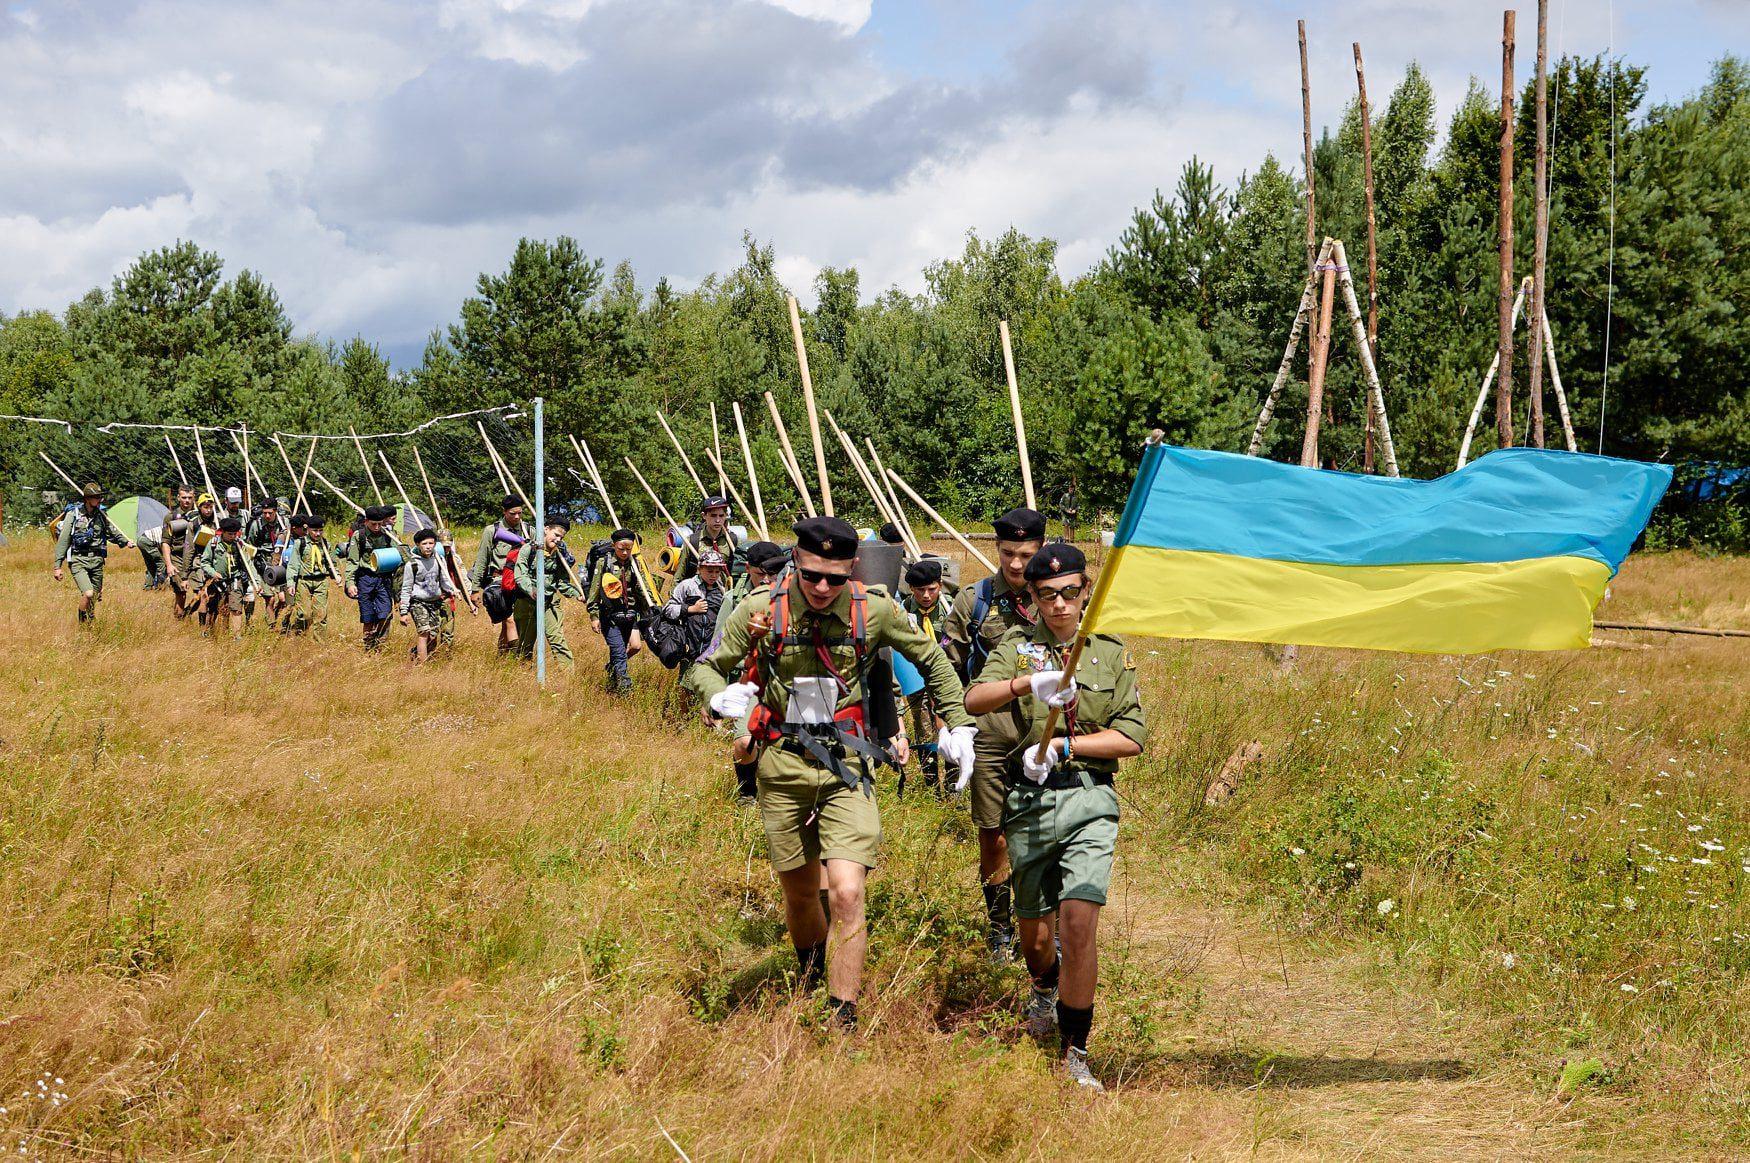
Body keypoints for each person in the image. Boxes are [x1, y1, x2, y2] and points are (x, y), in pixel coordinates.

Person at [691, 516, 979, 1031]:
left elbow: (932, 660)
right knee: (801, 892)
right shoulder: (761, 610)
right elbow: (708, 664)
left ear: (852, 568)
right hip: (781, 763)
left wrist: (956, 722)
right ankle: (808, 975)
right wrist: (716, 694)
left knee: (845, 891)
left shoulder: (877, 611)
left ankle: (841, 1012)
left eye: (835, 577)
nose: (822, 588)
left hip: (846, 764)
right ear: (797, 562)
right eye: (812, 575)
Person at [963, 543, 1147, 1092]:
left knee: (1079, 922)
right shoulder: (1018, 648)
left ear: (1086, 590)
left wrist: (1068, 745)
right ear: (1034, 599)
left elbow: (1132, 737)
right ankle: (1043, 986)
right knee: (1036, 938)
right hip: (1029, 803)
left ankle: (1075, 1049)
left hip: (1090, 797)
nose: (1061, 605)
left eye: (1070, 592)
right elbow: (974, 699)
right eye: (1048, 596)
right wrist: (1025, 684)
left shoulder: (1108, 653)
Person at [943, 506, 1047, 961]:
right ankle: (1000, 929)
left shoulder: (1057, 595)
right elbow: (947, 666)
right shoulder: (975, 600)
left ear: (1041, 549)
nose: (1017, 564)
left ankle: (1047, 925)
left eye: (1026, 554)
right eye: (1008, 553)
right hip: (989, 735)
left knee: (1047, 832)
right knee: (994, 836)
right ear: (996, 549)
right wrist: (951, 724)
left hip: (1045, 735)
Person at [685, 539, 789, 800]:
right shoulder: (736, 600)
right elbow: (715, 649)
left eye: (773, 574)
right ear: (747, 569)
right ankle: (747, 793)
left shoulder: (797, 596)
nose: (767, 580)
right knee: (745, 743)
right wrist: (709, 697)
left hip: (790, 681)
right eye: (759, 574)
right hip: (751, 680)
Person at [900, 557, 955, 794]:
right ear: (911, 589)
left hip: (946, 679)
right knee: (924, 730)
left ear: (940, 585)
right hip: (917, 679)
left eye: (931, 589)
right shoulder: (903, 611)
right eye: (920, 590)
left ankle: (954, 784)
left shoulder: (950, 607)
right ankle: (932, 785)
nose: (926, 595)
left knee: (951, 729)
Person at [51, 482, 136, 624]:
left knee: (95, 596)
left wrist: (125, 542)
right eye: (96, 497)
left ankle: (89, 621)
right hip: (79, 560)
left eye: (100, 497)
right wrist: (57, 566)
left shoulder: (102, 515)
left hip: (97, 560)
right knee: (88, 593)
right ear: (87, 498)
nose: (99, 500)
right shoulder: (74, 515)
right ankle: (82, 622)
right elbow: (64, 540)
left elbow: (112, 532)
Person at [586, 529, 658, 694]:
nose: (625, 552)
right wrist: (594, 616)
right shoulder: (604, 564)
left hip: (630, 615)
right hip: (610, 616)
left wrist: (651, 606)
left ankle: (612, 676)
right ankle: (625, 691)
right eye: (621, 549)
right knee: (618, 652)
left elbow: (642, 589)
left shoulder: (635, 564)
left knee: (635, 646)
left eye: (629, 549)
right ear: (613, 546)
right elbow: (594, 591)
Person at [510, 513, 583, 670]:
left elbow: (562, 583)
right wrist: (532, 590)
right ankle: (523, 677)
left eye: (561, 537)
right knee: (525, 645)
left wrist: (577, 594)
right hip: (527, 602)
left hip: (548, 603)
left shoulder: (559, 555)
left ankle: (568, 677)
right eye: (555, 535)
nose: (557, 540)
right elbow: (520, 576)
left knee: (558, 640)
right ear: (546, 529)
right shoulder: (528, 549)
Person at [399, 527, 467, 663]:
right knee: (423, 633)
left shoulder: (438, 559)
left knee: (433, 634)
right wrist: (404, 612)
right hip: (418, 602)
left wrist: (452, 590)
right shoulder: (412, 564)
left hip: (435, 602)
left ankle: (418, 655)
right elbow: (406, 588)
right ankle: (423, 666)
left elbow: (443, 580)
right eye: (424, 544)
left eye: (431, 543)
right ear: (418, 545)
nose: (428, 547)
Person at [472, 495, 529, 654]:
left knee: (510, 623)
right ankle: (517, 657)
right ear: (504, 512)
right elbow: (482, 560)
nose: (517, 517)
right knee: (509, 620)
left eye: (519, 513)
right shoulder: (493, 531)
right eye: (512, 513)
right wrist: (475, 589)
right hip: (499, 582)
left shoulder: (528, 529)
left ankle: (502, 657)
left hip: (521, 582)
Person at [664, 547, 728, 683]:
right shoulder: (687, 586)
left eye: (717, 571)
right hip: (690, 647)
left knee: (707, 686)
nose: (714, 575)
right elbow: (668, 610)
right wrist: (690, 609)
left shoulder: (723, 590)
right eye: (709, 571)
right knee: (686, 685)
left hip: (712, 650)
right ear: (699, 569)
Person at [343, 504, 401, 650]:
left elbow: (400, 556)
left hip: (384, 579)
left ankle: (381, 647)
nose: (376, 527)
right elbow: (353, 561)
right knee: (368, 616)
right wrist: (350, 583)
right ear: (366, 521)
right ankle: (368, 648)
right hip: (365, 579)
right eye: (373, 524)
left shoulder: (389, 534)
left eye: (379, 524)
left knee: (385, 614)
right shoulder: (359, 536)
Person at [196, 515, 259, 637]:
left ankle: (237, 636)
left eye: (235, 534)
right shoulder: (213, 543)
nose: (233, 536)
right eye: (230, 534)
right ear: (223, 532)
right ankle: (210, 632)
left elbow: (249, 564)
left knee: (236, 608)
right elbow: (205, 562)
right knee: (215, 608)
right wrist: (213, 573)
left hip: (235, 579)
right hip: (217, 581)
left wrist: (256, 582)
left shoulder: (239, 544)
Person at [284, 513, 336, 635]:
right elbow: (293, 564)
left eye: (320, 531)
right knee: (305, 614)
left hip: (321, 581)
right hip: (304, 581)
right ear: (307, 529)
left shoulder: (325, 544)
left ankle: (320, 642)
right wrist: (291, 583)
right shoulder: (300, 543)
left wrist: (336, 574)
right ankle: (299, 634)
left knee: (321, 614)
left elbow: (332, 562)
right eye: (315, 531)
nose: (318, 534)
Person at [170, 493, 218, 620]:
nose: (208, 510)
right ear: (199, 507)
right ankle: (203, 629)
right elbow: (189, 549)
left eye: (210, 506)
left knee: (213, 598)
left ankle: (190, 614)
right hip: (199, 564)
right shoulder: (194, 525)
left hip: (215, 563)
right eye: (205, 507)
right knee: (203, 596)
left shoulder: (218, 522)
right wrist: (184, 576)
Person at [244, 496, 288, 624]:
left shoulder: (284, 523)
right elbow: (250, 546)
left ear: (275, 511)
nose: (267, 516)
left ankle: (277, 617)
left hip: (280, 561)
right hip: (263, 562)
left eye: (270, 513)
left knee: (283, 598)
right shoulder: (256, 525)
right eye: (265, 513)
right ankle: (271, 625)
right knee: (270, 598)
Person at [679, 496, 744, 582]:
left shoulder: (733, 540)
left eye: (721, 516)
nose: (717, 520)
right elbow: (680, 574)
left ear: (726, 516)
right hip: (698, 592)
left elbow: (741, 572)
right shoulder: (692, 541)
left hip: (724, 592)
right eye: (713, 516)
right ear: (704, 516)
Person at [160, 485, 197, 611]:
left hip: (195, 557)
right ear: (178, 498)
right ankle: (180, 620)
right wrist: (169, 565)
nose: (187, 500)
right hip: (178, 558)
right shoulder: (171, 517)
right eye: (184, 497)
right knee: (181, 593)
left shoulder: (199, 515)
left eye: (190, 497)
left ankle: (189, 612)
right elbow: (165, 542)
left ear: (194, 498)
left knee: (203, 592)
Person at [137, 485, 177, 589]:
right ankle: (161, 587)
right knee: (161, 564)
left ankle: (148, 587)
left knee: (151, 565)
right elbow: (164, 547)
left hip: (142, 539)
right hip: (147, 541)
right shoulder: (171, 532)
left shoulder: (170, 527)